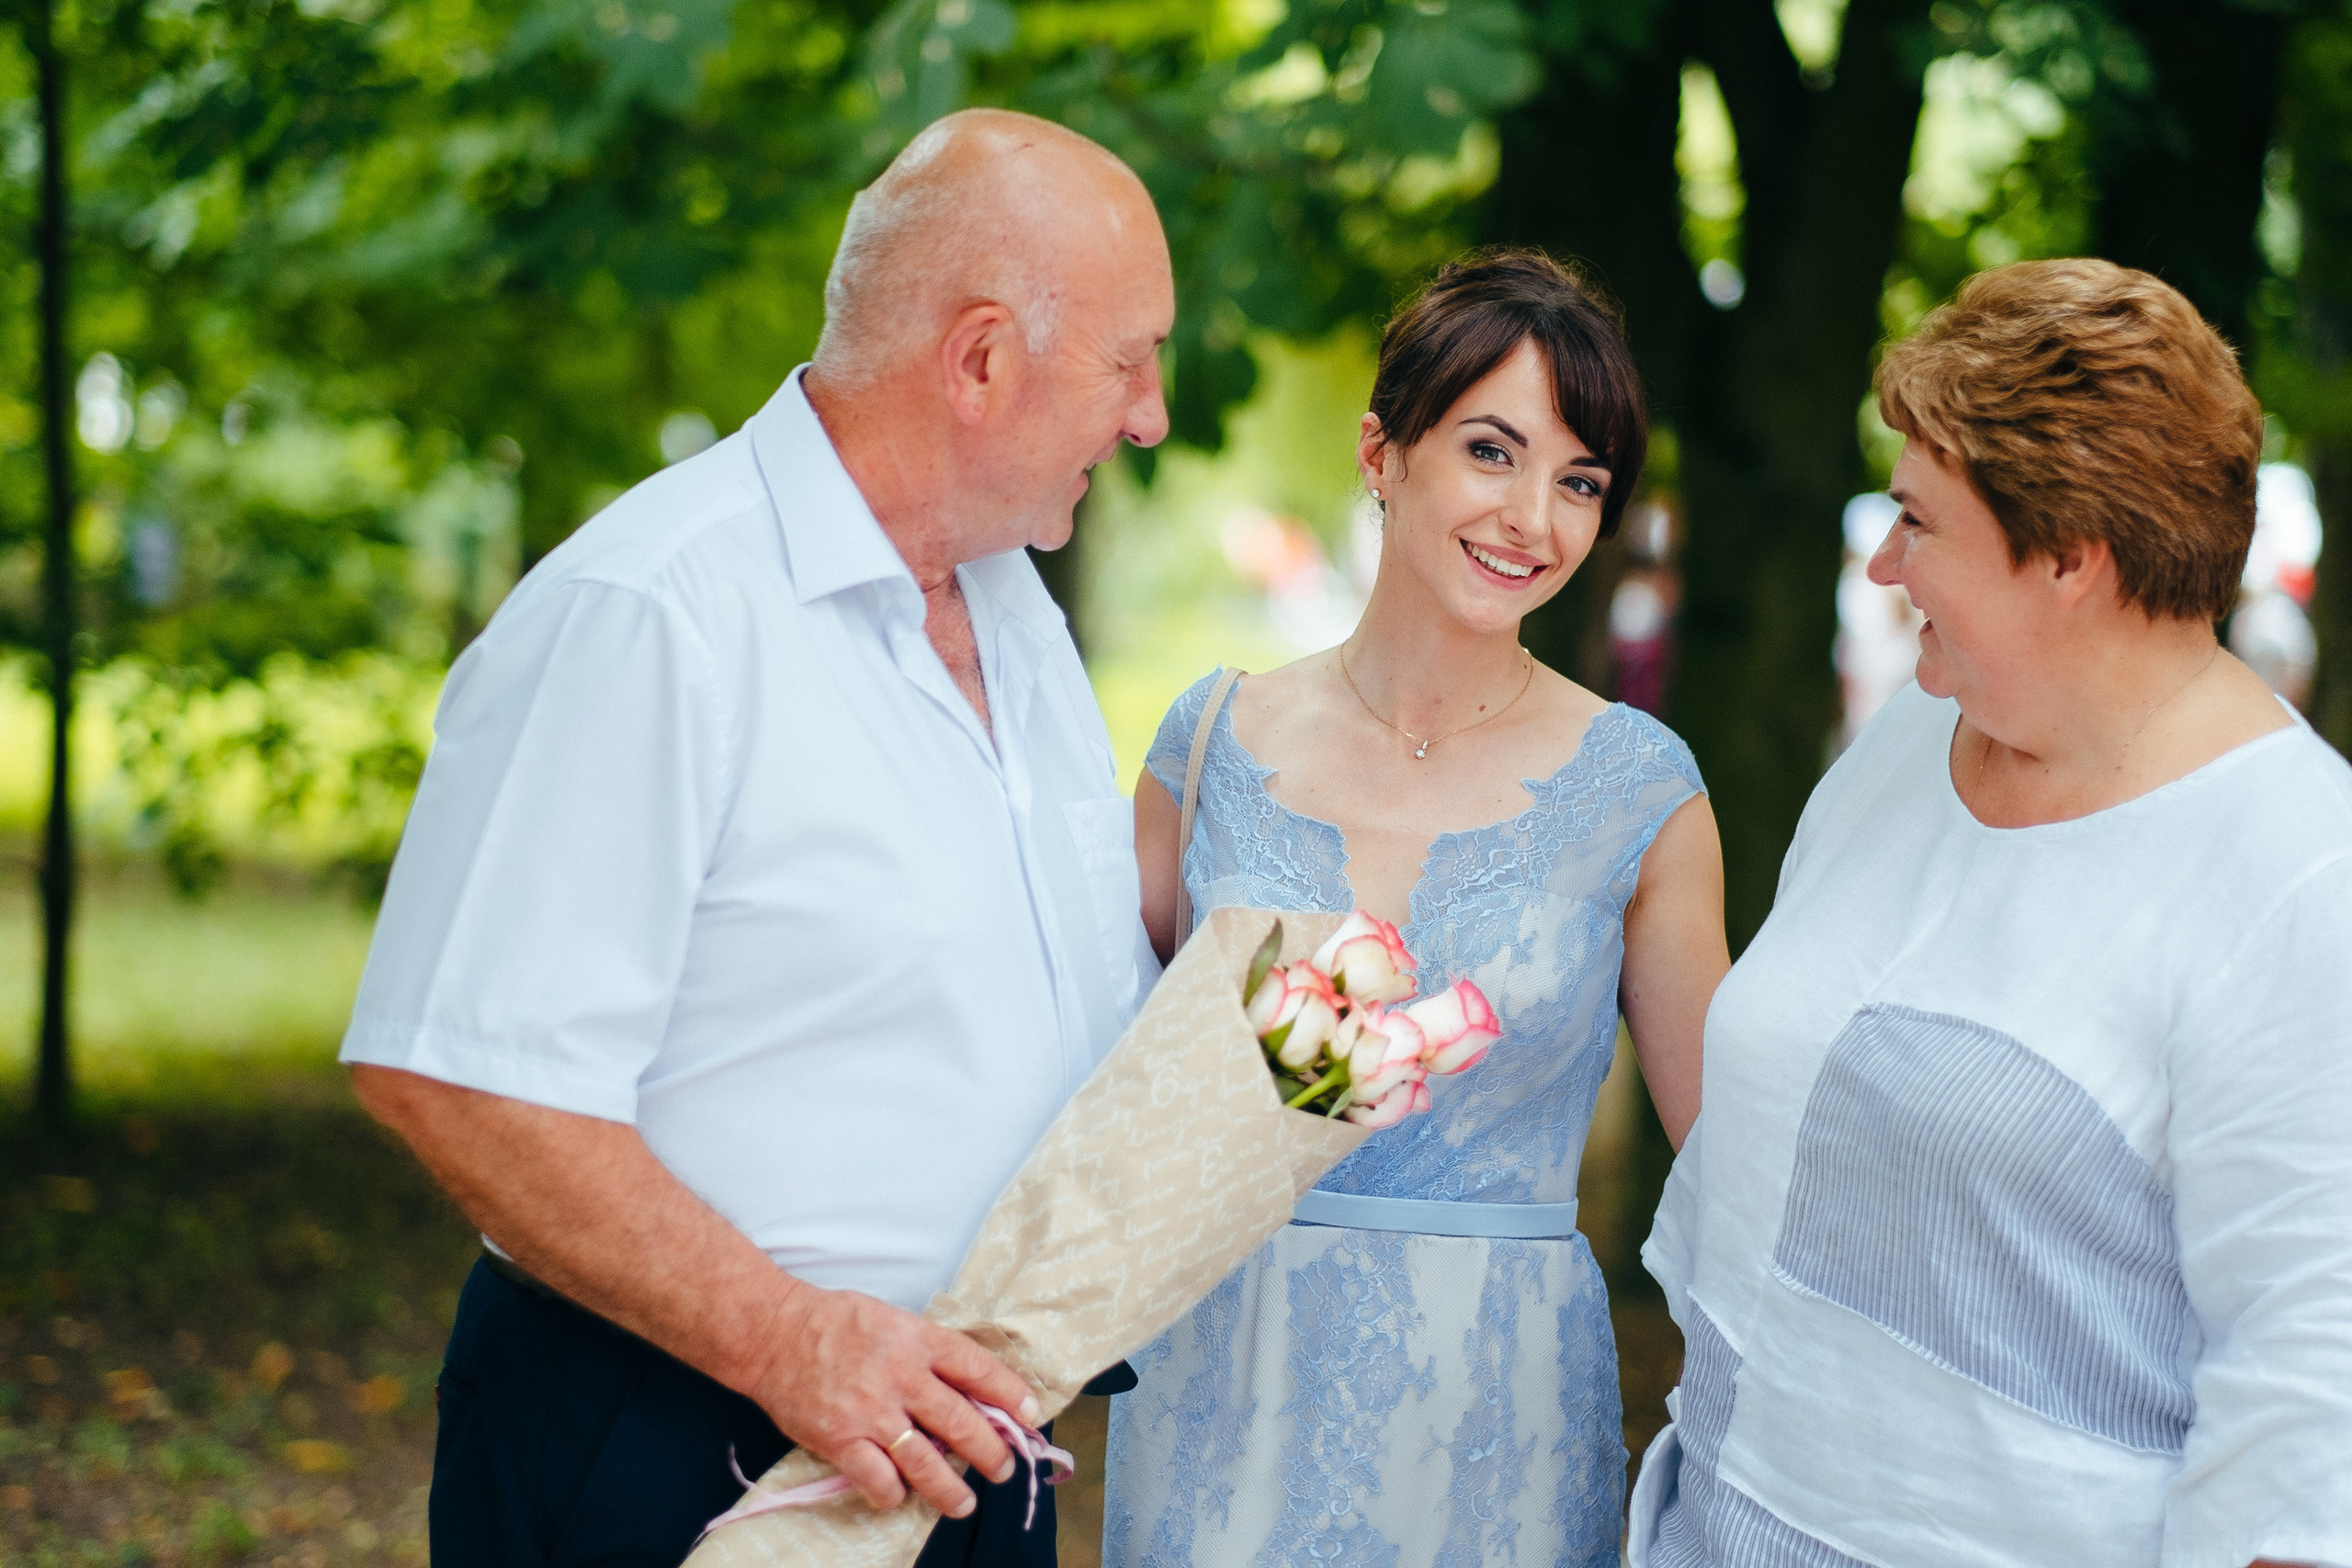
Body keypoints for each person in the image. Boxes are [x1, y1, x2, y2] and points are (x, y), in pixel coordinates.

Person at [339, 108, 1173, 1567]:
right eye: (1131, 359)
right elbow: (454, 1073)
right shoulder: (652, 613)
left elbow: (1034, 989)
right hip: (678, 1441)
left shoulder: (1016, 613)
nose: (1151, 412)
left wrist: (1303, 1045)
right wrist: (791, 1340)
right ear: (982, 359)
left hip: (961, 1448)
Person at [1629, 259, 2352, 1567]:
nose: (1883, 559)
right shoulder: (1915, 737)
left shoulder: (2300, 874)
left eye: (1920, 522)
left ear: (2070, 556)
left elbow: (2308, 1419)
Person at [1103, 250, 1730, 1566]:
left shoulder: (1641, 791)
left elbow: (1734, 1168)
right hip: (1223, 1394)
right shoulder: (1210, 742)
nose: (1535, 520)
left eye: (1580, 482)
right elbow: (1112, 1079)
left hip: (1493, 1423)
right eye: (1492, 452)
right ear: (1381, 453)